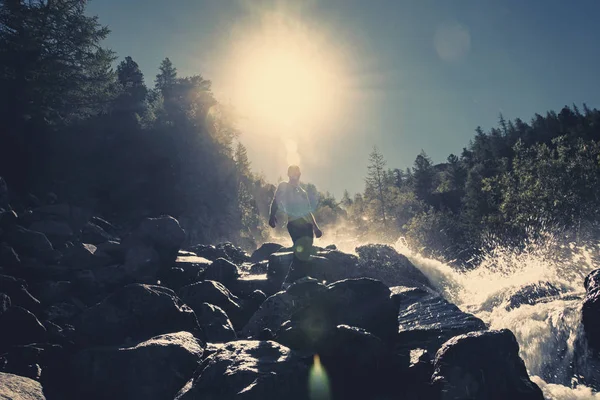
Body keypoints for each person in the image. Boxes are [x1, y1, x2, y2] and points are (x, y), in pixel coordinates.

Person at [269, 165, 322, 286]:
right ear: (288, 174)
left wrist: (316, 227)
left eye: (297, 173)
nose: (295, 175)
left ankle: (299, 279)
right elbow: (276, 200)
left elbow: (308, 211)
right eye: (292, 173)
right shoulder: (284, 186)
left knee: (305, 252)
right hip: (294, 223)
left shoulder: (303, 192)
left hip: (307, 225)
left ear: (299, 174)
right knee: (301, 249)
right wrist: (272, 215)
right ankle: (289, 281)